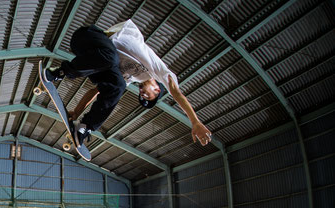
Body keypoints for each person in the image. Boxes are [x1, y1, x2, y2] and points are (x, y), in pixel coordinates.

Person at [44, 20, 212, 148]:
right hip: (87, 37)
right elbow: (176, 92)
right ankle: (59, 72)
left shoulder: (129, 78)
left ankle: (85, 126)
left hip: (90, 55)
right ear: (157, 88)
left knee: (118, 86)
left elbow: (95, 92)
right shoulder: (157, 69)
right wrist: (195, 121)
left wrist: (76, 112)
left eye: (142, 97)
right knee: (112, 58)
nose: (142, 94)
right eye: (148, 95)